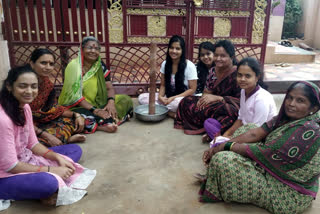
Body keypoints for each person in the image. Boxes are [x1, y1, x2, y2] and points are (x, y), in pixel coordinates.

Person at [199, 81, 320, 214]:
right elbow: (255, 133)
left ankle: (219, 179)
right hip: (270, 163)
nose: (291, 103)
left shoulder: (309, 130)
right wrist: (221, 145)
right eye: (290, 97)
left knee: (223, 160)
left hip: (287, 190)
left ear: (313, 108)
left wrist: (225, 146)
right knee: (247, 128)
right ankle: (218, 175)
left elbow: (265, 152)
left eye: (300, 100)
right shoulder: (287, 118)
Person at [0, 65, 96, 210]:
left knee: (74, 150)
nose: (29, 91)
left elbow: (32, 143)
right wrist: (51, 170)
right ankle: (42, 190)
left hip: (25, 158)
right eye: (22, 86)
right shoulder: (3, 119)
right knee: (49, 183)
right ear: (9, 86)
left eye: (34, 87)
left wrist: (57, 158)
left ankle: (40, 187)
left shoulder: (24, 107)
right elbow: (11, 166)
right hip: (5, 174)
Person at [58, 36, 133, 133]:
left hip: (98, 103)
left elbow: (109, 87)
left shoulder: (99, 65)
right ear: (82, 49)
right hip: (77, 105)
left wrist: (111, 102)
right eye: (89, 48)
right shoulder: (74, 67)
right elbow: (75, 97)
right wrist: (96, 110)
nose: (93, 51)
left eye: (96, 48)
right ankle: (102, 125)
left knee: (125, 100)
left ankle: (106, 120)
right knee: (80, 116)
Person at [204, 57, 277, 143]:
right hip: (243, 131)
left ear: (257, 77)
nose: (242, 79)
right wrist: (226, 135)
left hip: (257, 137)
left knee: (221, 151)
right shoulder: (243, 91)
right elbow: (240, 118)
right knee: (209, 123)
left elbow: (256, 132)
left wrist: (228, 140)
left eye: (247, 76)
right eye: (239, 75)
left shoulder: (262, 99)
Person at [174, 40, 241, 135]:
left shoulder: (237, 74)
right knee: (186, 101)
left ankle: (213, 130)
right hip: (212, 105)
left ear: (232, 57)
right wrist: (204, 100)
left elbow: (240, 101)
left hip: (228, 106)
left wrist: (218, 98)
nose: (218, 58)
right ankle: (209, 126)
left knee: (229, 112)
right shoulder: (213, 71)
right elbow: (206, 91)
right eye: (216, 55)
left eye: (223, 56)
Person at [29, 48, 89, 147]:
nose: (48, 67)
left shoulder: (47, 84)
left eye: (51, 64)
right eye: (43, 63)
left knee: (77, 120)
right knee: (32, 143)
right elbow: (19, 119)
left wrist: (76, 115)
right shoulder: (23, 84)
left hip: (42, 121)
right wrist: (47, 136)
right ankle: (64, 139)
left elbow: (54, 109)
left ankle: (61, 139)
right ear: (32, 64)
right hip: (24, 125)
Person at [138, 35, 197, 118]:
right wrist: (160, 97)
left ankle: (161, 110)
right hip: (168, 97)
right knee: (142, 97)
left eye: (177, 49)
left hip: (183, 99)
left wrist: (173, 98)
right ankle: (169, 113)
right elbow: (163, 85)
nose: (174, 51)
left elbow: (192, 89)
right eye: (171, 48)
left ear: (182, 50)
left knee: (177, 103)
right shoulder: (165, 64)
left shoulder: (190, 66)